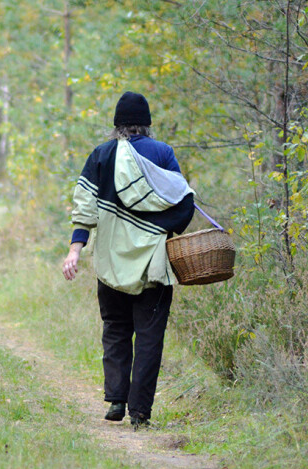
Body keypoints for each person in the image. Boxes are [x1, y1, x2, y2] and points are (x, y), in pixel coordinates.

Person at [62, 91, 195, 427]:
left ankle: (117, 401)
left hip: (109, 264)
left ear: (117, 125)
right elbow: (183, 205)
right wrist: (163, 230)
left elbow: (84, 209)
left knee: (117, 330)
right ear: (146, 124)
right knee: (149, 337)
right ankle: (139, 412)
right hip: (153, 265)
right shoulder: (162, 153)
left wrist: (75, 250)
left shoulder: (102, 155)